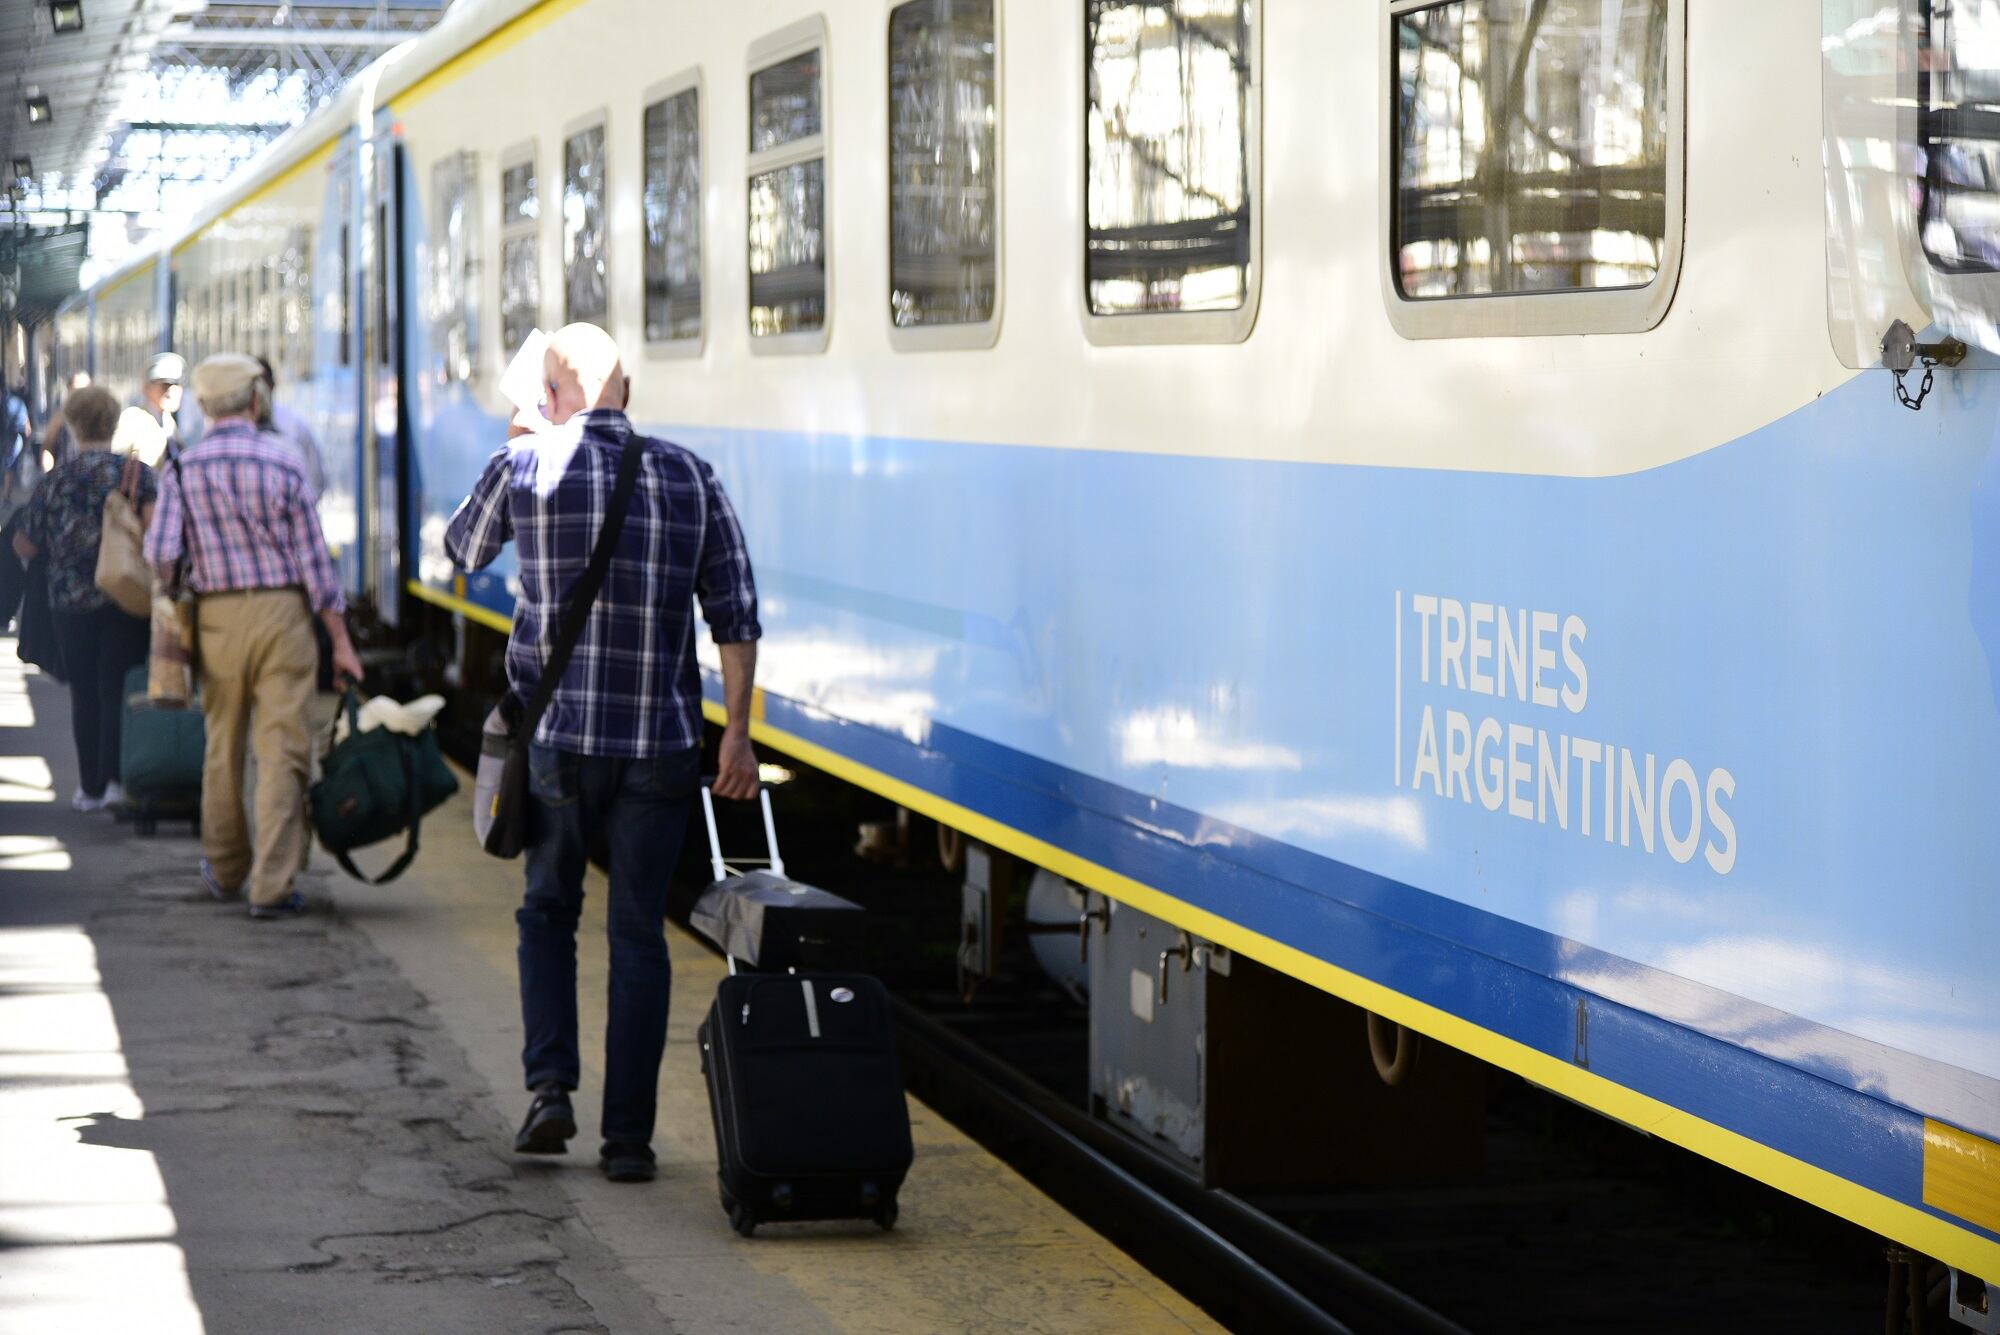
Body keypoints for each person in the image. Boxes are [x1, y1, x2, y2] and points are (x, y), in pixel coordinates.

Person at [443, 322, 762, 1184]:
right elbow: (735, 612)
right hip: (658, 746)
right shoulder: (690, 476)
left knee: (548, 911)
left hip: (558, 746)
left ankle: (550, 1090)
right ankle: (629, 1140)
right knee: (638, 936)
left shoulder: (528, 465)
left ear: (548, 397)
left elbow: (460, 550)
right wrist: (735, 732)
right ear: (625, 390)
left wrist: (518, 440)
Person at [143, 354, 364, 920]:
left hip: (216, 620)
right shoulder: (285, 462)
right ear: (256, 401)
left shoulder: (183, 469)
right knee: (282, 749)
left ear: (202, 406)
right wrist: (340, 640)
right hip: (284, 617)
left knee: (222, 748)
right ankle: (271, 884)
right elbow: (317, 567)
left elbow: (163, 558)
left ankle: (225, 868)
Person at [10, 386, 154, 812]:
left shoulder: (55, 480)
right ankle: (115, 781)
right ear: (113, 424)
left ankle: (89, 788)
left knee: (85, 693)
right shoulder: (136, 474)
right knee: (117, 688)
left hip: (69, 603)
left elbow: (26, 544)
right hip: (125, 598)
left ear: (73, 425)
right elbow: (154, 532)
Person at [254, 356, 325, 499]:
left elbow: (315, 479)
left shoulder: (293, 426)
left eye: (262, 383)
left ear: (272, 384)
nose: (258, 392)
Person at [114, 352, 185, 467]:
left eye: (176, 385)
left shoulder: (168, 422)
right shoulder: (134, 418)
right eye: (164, 385)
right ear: (146, 388)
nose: (170, 391)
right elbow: (116, 460)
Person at [42, 371, 93, 468]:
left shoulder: (96, 416)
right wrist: (49, 473)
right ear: (69, 390)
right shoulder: (60, 416)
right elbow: (47, 448)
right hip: (65, 474)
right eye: (76, 390)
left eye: (84, 390)